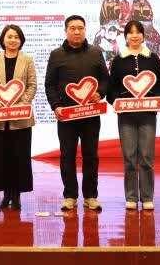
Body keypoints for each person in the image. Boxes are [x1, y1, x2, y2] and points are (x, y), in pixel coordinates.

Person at [45, 15, 109, 211]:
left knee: (91, 155)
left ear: (85, 30)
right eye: (72, 28)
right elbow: (50, 85)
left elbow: (105, 80)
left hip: (90, 114)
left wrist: (100, 93)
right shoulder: (56, 54)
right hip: (67, 116)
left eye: (80, 28)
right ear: (66, 31)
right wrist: (56, 106)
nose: (77, 31)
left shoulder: (96, 52)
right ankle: (70, 196)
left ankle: (90, 196)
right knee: (67, 155)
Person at [107, 20, 160, 210]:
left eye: (138, 32)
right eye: (130, 32)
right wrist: (118, 102)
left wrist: (158, 100)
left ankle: (147, 197)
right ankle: (131, 197)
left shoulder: (152, 58)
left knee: (147, 157)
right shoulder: (118, 60)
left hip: (147, 115)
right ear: (125, 36)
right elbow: (111, 90)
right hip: (126, 117)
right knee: (129, 157)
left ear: (143, 35)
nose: (134, 36)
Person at [0, 24, 37, 210]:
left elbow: (32, 85)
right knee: (2, 156)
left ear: (21, 40)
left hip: (21, 117)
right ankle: (6, 195)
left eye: (16, 37)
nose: (13, 40)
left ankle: (17, 195)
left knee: (20, 156)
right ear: (3, 39)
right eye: (9, 36)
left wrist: (22, 102)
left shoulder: (27, 59)